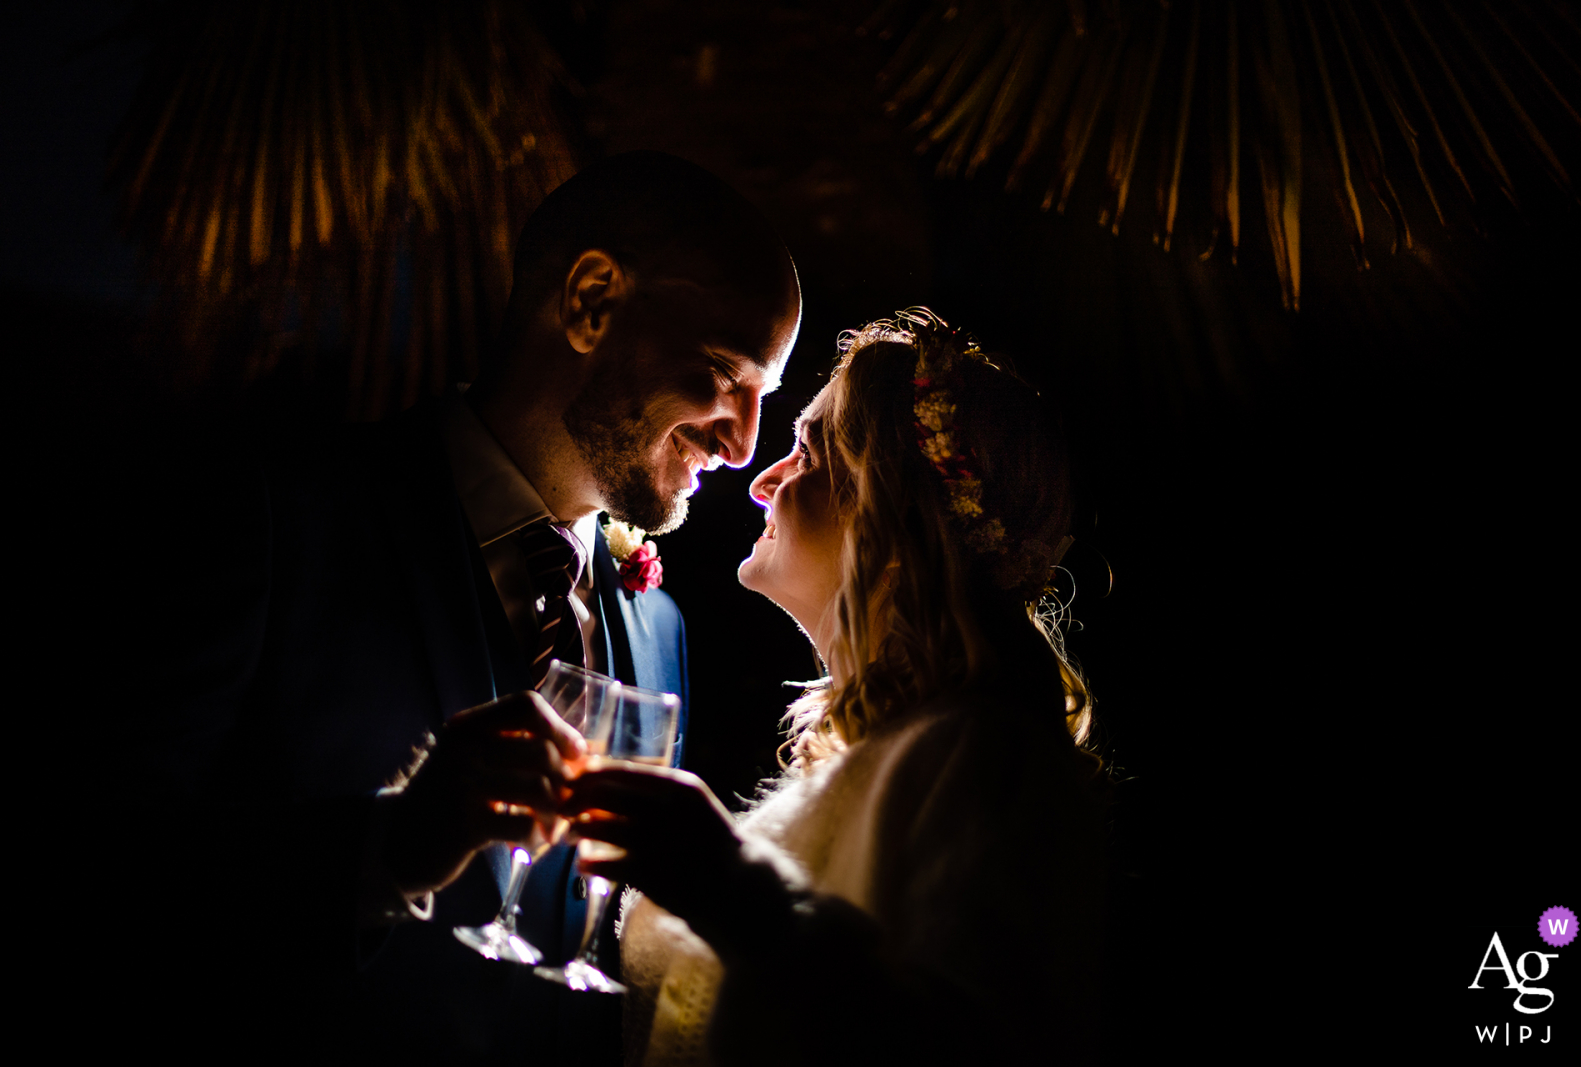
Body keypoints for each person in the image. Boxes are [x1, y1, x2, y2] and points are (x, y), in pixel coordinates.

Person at [98, 151, 800, 1058]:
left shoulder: (658, 628)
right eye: (722, 372)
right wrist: (383, 849)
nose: (744, 444)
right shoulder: (283, 518)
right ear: (591, 300)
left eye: (765, 399)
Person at [563, 308, 1108, 1066]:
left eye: (806, 453)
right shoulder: (881, 752)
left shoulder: (990, 759)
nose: (761, 482)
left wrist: (731, 889)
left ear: (887, 510)